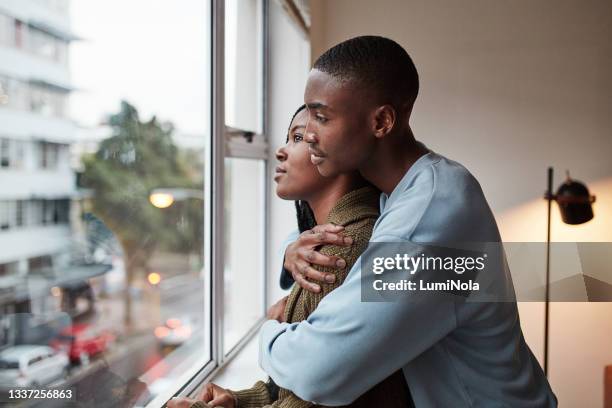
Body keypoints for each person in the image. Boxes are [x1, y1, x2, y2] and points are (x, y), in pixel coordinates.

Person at [256, 36, 558, 407]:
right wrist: (291, 248)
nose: (310, 135)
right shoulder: (413, 188)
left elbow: (318, 372)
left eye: (322, 117)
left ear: (381, 121)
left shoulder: (430, 218)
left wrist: (267, 329)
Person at [168, 105, 412, 408]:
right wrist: (238, 400)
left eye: (298, 138)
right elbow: (297, 388)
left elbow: (318, 397)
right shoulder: (321, 239)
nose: (280, 152)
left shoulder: (342, 247)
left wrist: (270, 330)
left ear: (337, 154)